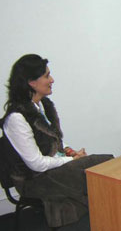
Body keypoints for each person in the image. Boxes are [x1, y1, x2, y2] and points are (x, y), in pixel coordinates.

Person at [0, 54, 114, 228]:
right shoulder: (16, 118)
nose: (51, 80)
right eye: (46, 76)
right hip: (34, 179)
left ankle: (109, 217)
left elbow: (55, 140)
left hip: (53, 168)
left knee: (106, 165)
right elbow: (36, 164)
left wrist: (70, 151)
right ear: (31, 82)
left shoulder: (43, 105)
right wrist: (72, 160)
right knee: (101, 172)